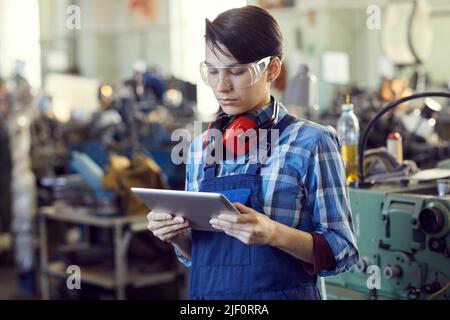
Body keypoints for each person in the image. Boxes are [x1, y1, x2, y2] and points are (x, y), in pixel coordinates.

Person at [147, 5, 358, 300]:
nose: (221, 86)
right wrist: (176, 236)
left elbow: (343, 251)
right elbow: (199, 256)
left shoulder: (311, 142)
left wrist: (274, 233)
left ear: (272, 68)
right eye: (212, 71)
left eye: (237, 71)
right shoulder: (200, 149)